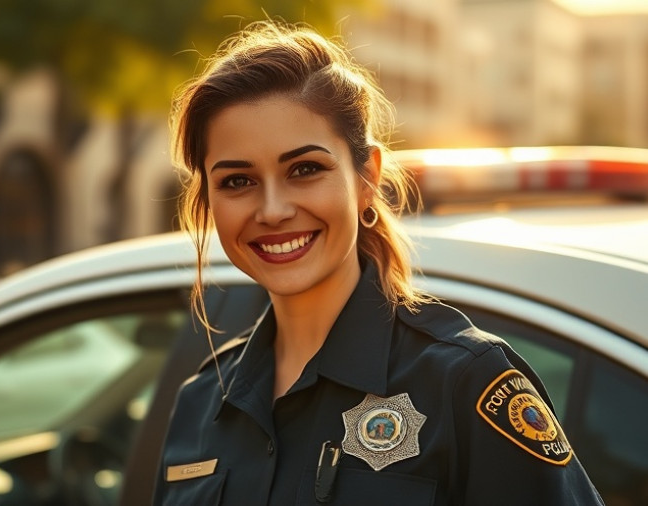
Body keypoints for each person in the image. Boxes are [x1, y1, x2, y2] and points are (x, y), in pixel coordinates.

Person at [153, 20, 605, 506]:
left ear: (366, 176)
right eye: (237, 181)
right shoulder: (200, 402)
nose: (273, 210)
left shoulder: (466, 382)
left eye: (305, 169)